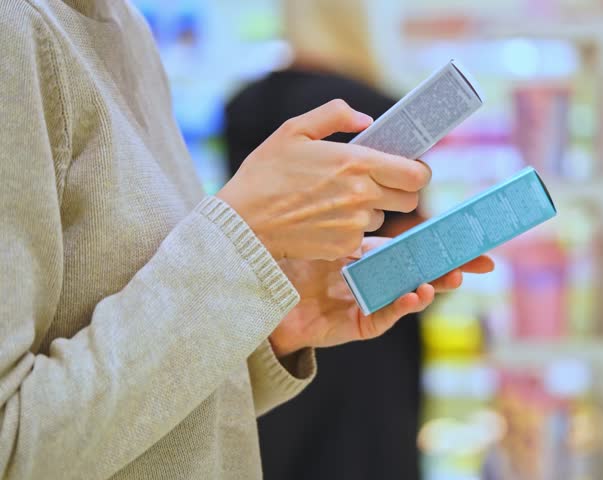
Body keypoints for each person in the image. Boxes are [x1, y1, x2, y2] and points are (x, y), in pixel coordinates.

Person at [0, 1, 494, 479]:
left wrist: (272, 331)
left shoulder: (129, 33)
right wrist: (239, 247)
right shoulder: (17, 32)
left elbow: (141, 409)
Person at [225, 2, 425, 479]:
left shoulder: (242, 106)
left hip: (265, 327)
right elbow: (406, 237)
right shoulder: (369, 104)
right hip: (359, 326)